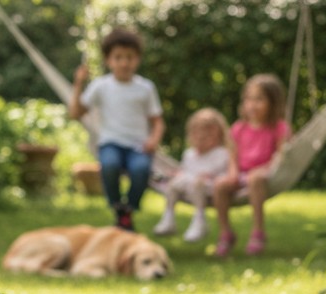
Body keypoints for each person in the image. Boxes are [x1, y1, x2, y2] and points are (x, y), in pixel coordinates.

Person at [70, 28, 165, 231]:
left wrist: (154, 140)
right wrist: (78, 83)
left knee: (141, 170)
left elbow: (157, 121)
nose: (124, 63)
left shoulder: (145, 88)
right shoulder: (100, 86)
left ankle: (128, 211)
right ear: (108, 60)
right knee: (109, 165)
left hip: (138, 145)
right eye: (118, 57)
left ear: (138, 59)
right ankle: (117, 208)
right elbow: (76, 113)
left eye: (129, 57)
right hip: (110, 143)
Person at [212, 73, 289, 256]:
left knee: (255, 178)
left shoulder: (279, 128)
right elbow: (233, 156)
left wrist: (264, 169)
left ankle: (258, 232)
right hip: (241, 173)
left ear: (273, 102)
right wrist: (233, 173)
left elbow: (281, 156)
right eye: (248, 99)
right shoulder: (239, 128)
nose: (252, 105)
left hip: (266, 174)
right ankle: (225, 232)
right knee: (220, 185)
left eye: (259, 99)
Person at [153, 107, 232, 242]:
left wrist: (207, 176)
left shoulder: (221, 153)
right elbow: (185, 170)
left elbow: (223, 172)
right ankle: (168, 217)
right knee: (173, 184)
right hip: (188, 185)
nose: (201, 139)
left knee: (198, 183)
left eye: (207, 136)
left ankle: (200, 219)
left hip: (208, 187)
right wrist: (176, 174)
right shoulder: (189, 154)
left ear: (219, 136)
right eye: (197, 135)